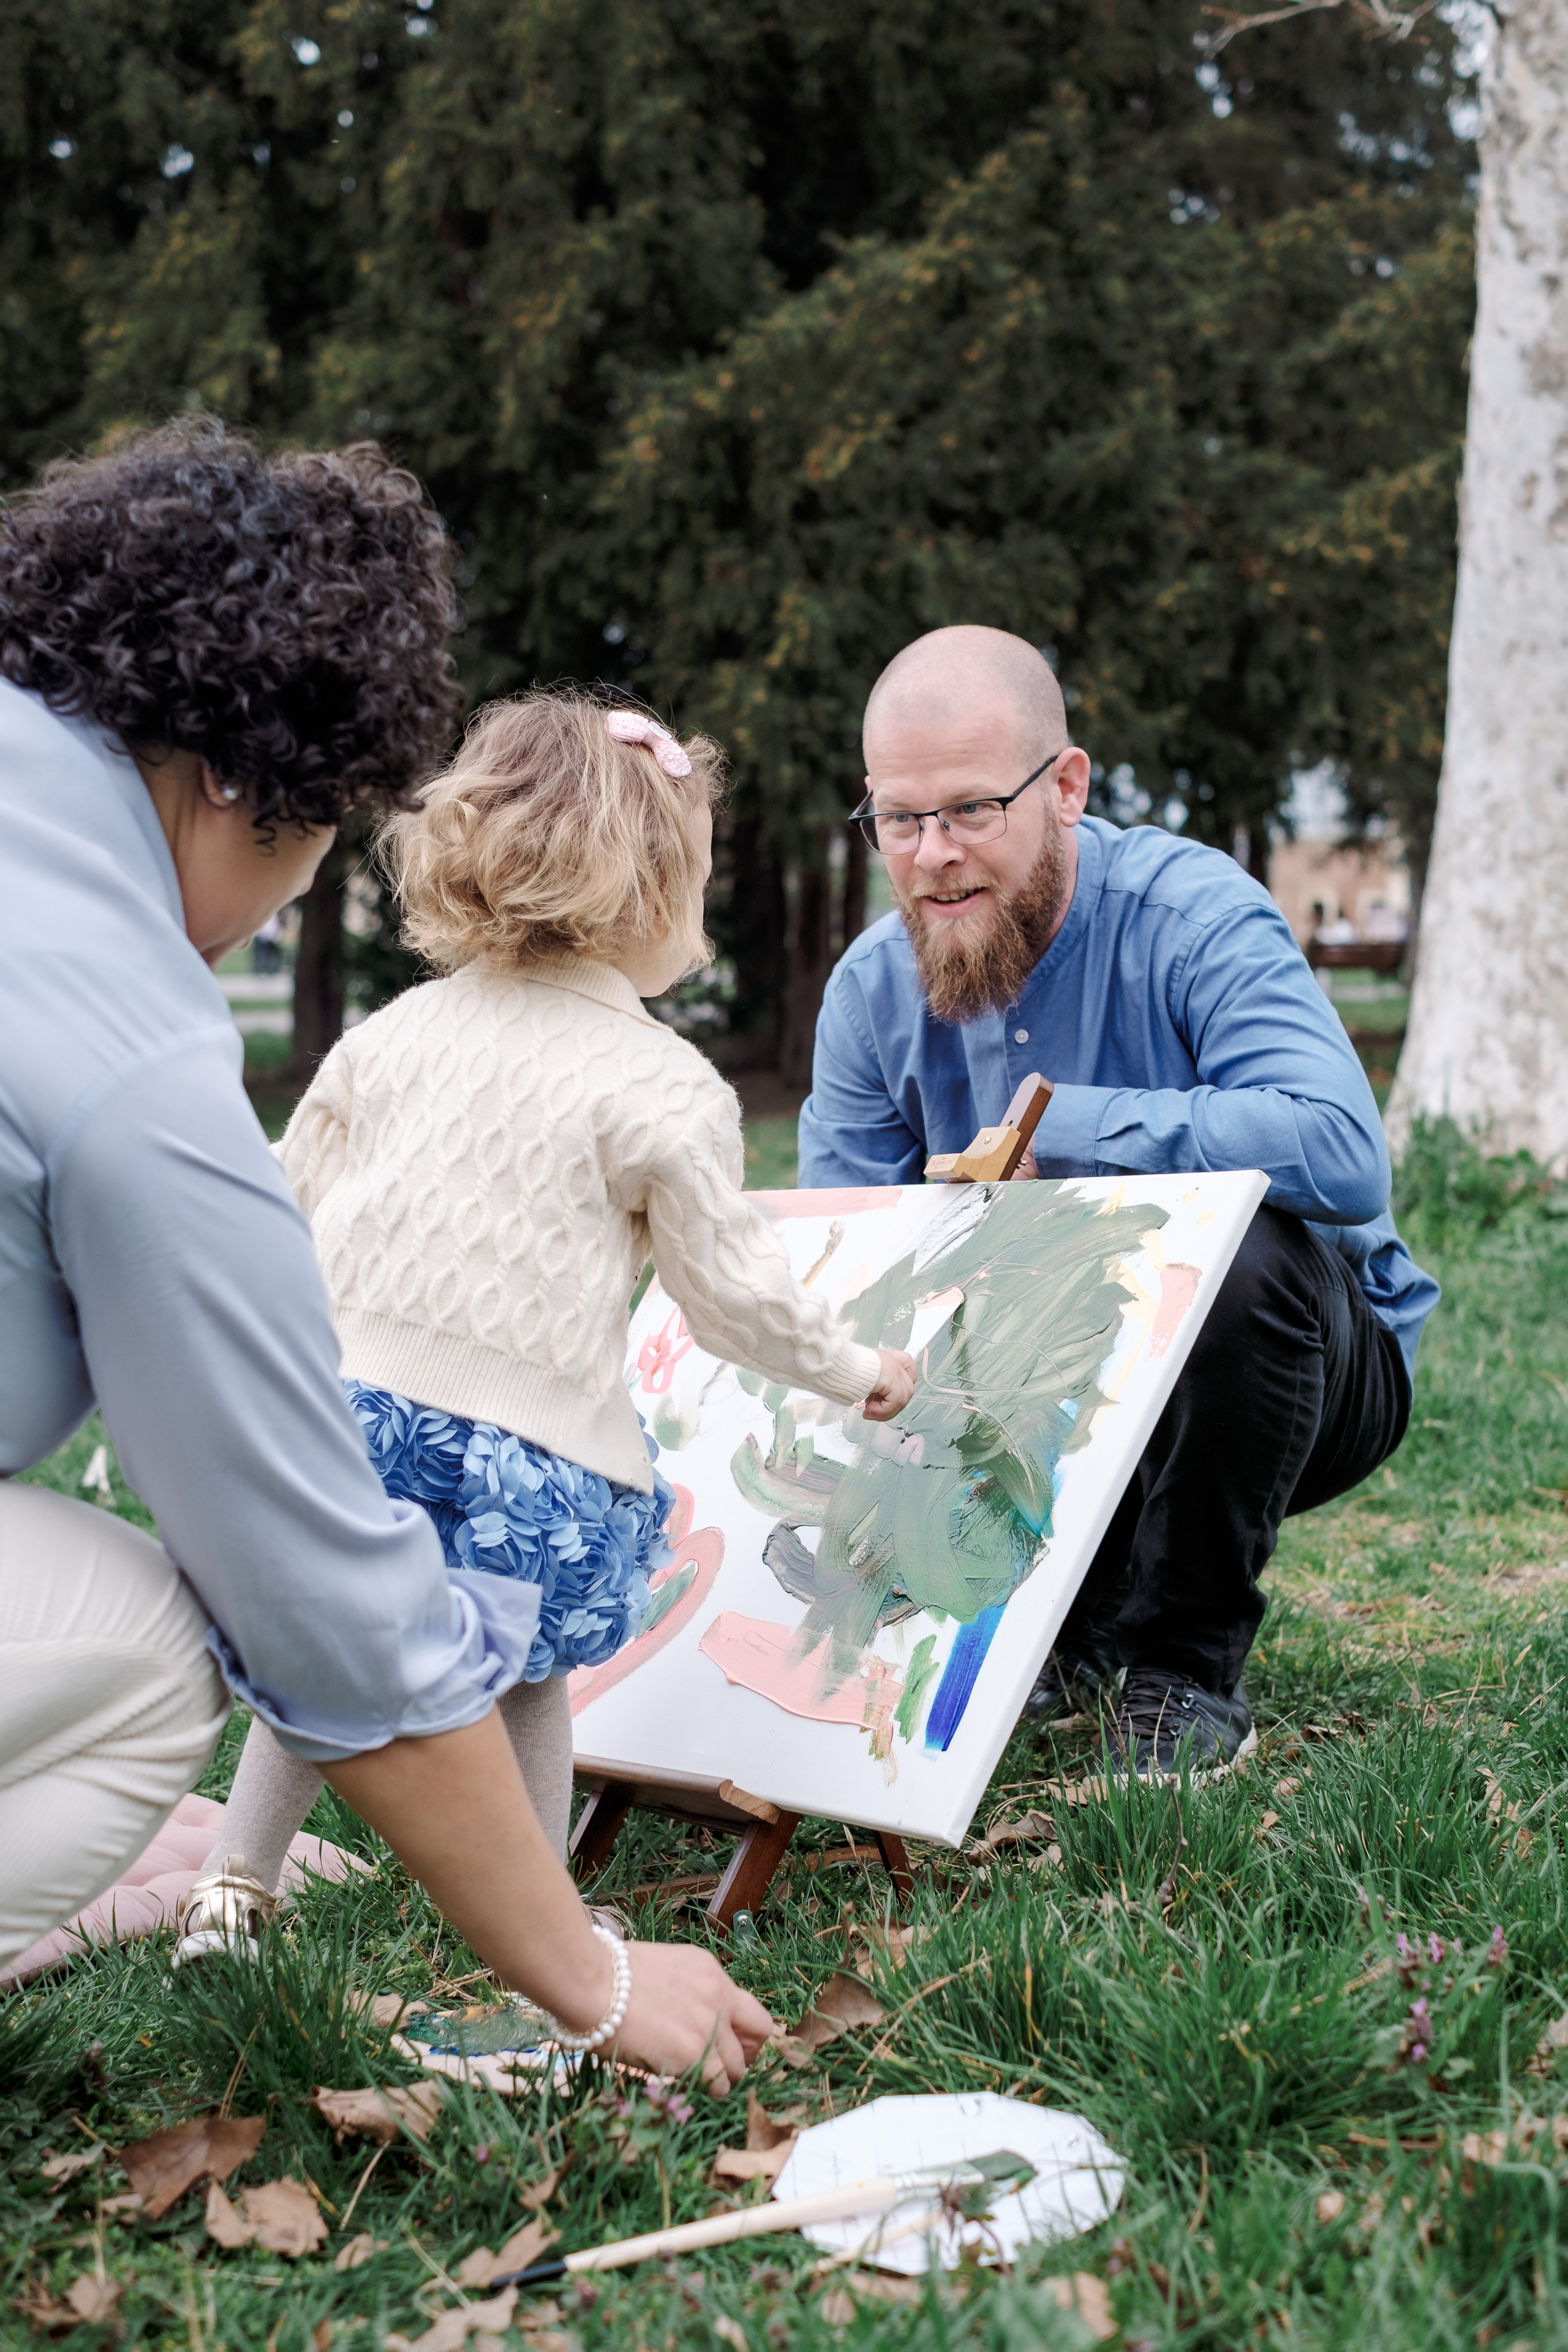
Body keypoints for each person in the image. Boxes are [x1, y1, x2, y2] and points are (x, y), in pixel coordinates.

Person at [0, 419, 768, 2087]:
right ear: (231, 778)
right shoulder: (134, 1056)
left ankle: (139, 1875)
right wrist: (594, 1979)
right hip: (518, 1464)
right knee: (143, 1646)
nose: (293, 892)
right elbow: (314, 1596)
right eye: (321, 826)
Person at [180, 689, 916, 1961]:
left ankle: (232, 1893)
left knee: (323, 1655)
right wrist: (857, 1370)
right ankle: (536, 1938)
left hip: (346, 1420)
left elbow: (275, 1209)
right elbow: (730, 1297)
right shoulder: (661, 1084)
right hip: (533, 1457)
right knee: (527, 1675)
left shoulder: (391, 1034)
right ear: (657, 888)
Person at [799, 624, 1439, 1778]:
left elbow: (1344, 1151)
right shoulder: (868, 996)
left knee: (1243, 1247)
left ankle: (1182, 1671)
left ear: (1068, 788)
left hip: (1296, 1365)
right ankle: (1058, 1619)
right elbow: (839, 1274)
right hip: (1037, 1388)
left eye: (972, 812)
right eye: (900, 819)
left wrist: (1074, 1131)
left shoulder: (1191, 917)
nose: (933, 855)